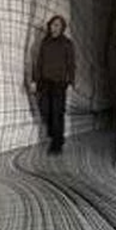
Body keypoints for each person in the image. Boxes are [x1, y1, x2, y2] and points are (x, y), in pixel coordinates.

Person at [32, 15, 75, 154]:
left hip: (59, 83)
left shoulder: (67, 43)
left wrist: (70, 82)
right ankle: (56, 136)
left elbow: (71, 65)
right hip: (45, 83)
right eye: (52, 24)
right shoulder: (45, 42)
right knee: (45, 110)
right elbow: (39, 62)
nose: (54, 27)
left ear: (62, 28)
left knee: (57, 113)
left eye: (57, 25)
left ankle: (56, 144)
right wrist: (34, 80)